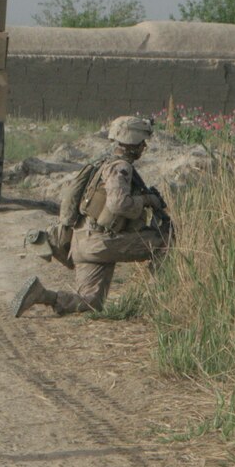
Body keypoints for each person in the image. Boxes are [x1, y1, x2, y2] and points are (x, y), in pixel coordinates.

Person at [12, 116, 172, 317]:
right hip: (103, 242)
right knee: (166, 243)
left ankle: (43, 295)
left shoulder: (102, 163)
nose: (144, 146)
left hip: (84, 241)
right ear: (135, 142)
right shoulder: (120, 168)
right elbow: (118, 204)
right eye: (142, 142)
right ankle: (159, 302)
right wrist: (147, 200)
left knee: (91, 302)